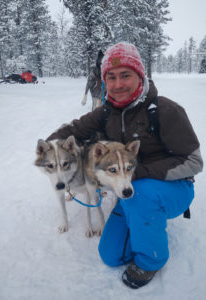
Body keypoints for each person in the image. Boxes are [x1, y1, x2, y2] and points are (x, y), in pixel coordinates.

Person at [45, 42, 203, 289]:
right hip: (128, 185)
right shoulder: (106, 112)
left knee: (141, 194)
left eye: (126, 75)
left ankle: (151, 261)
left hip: (174, 187)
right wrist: (52, 149)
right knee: (111, 255)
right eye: (111, 77)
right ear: (104, 81)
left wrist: (138, 173)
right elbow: (73, 130)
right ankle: (144, 223)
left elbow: (194, 162)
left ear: (140, 76)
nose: (118, 84)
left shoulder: (164, 110)